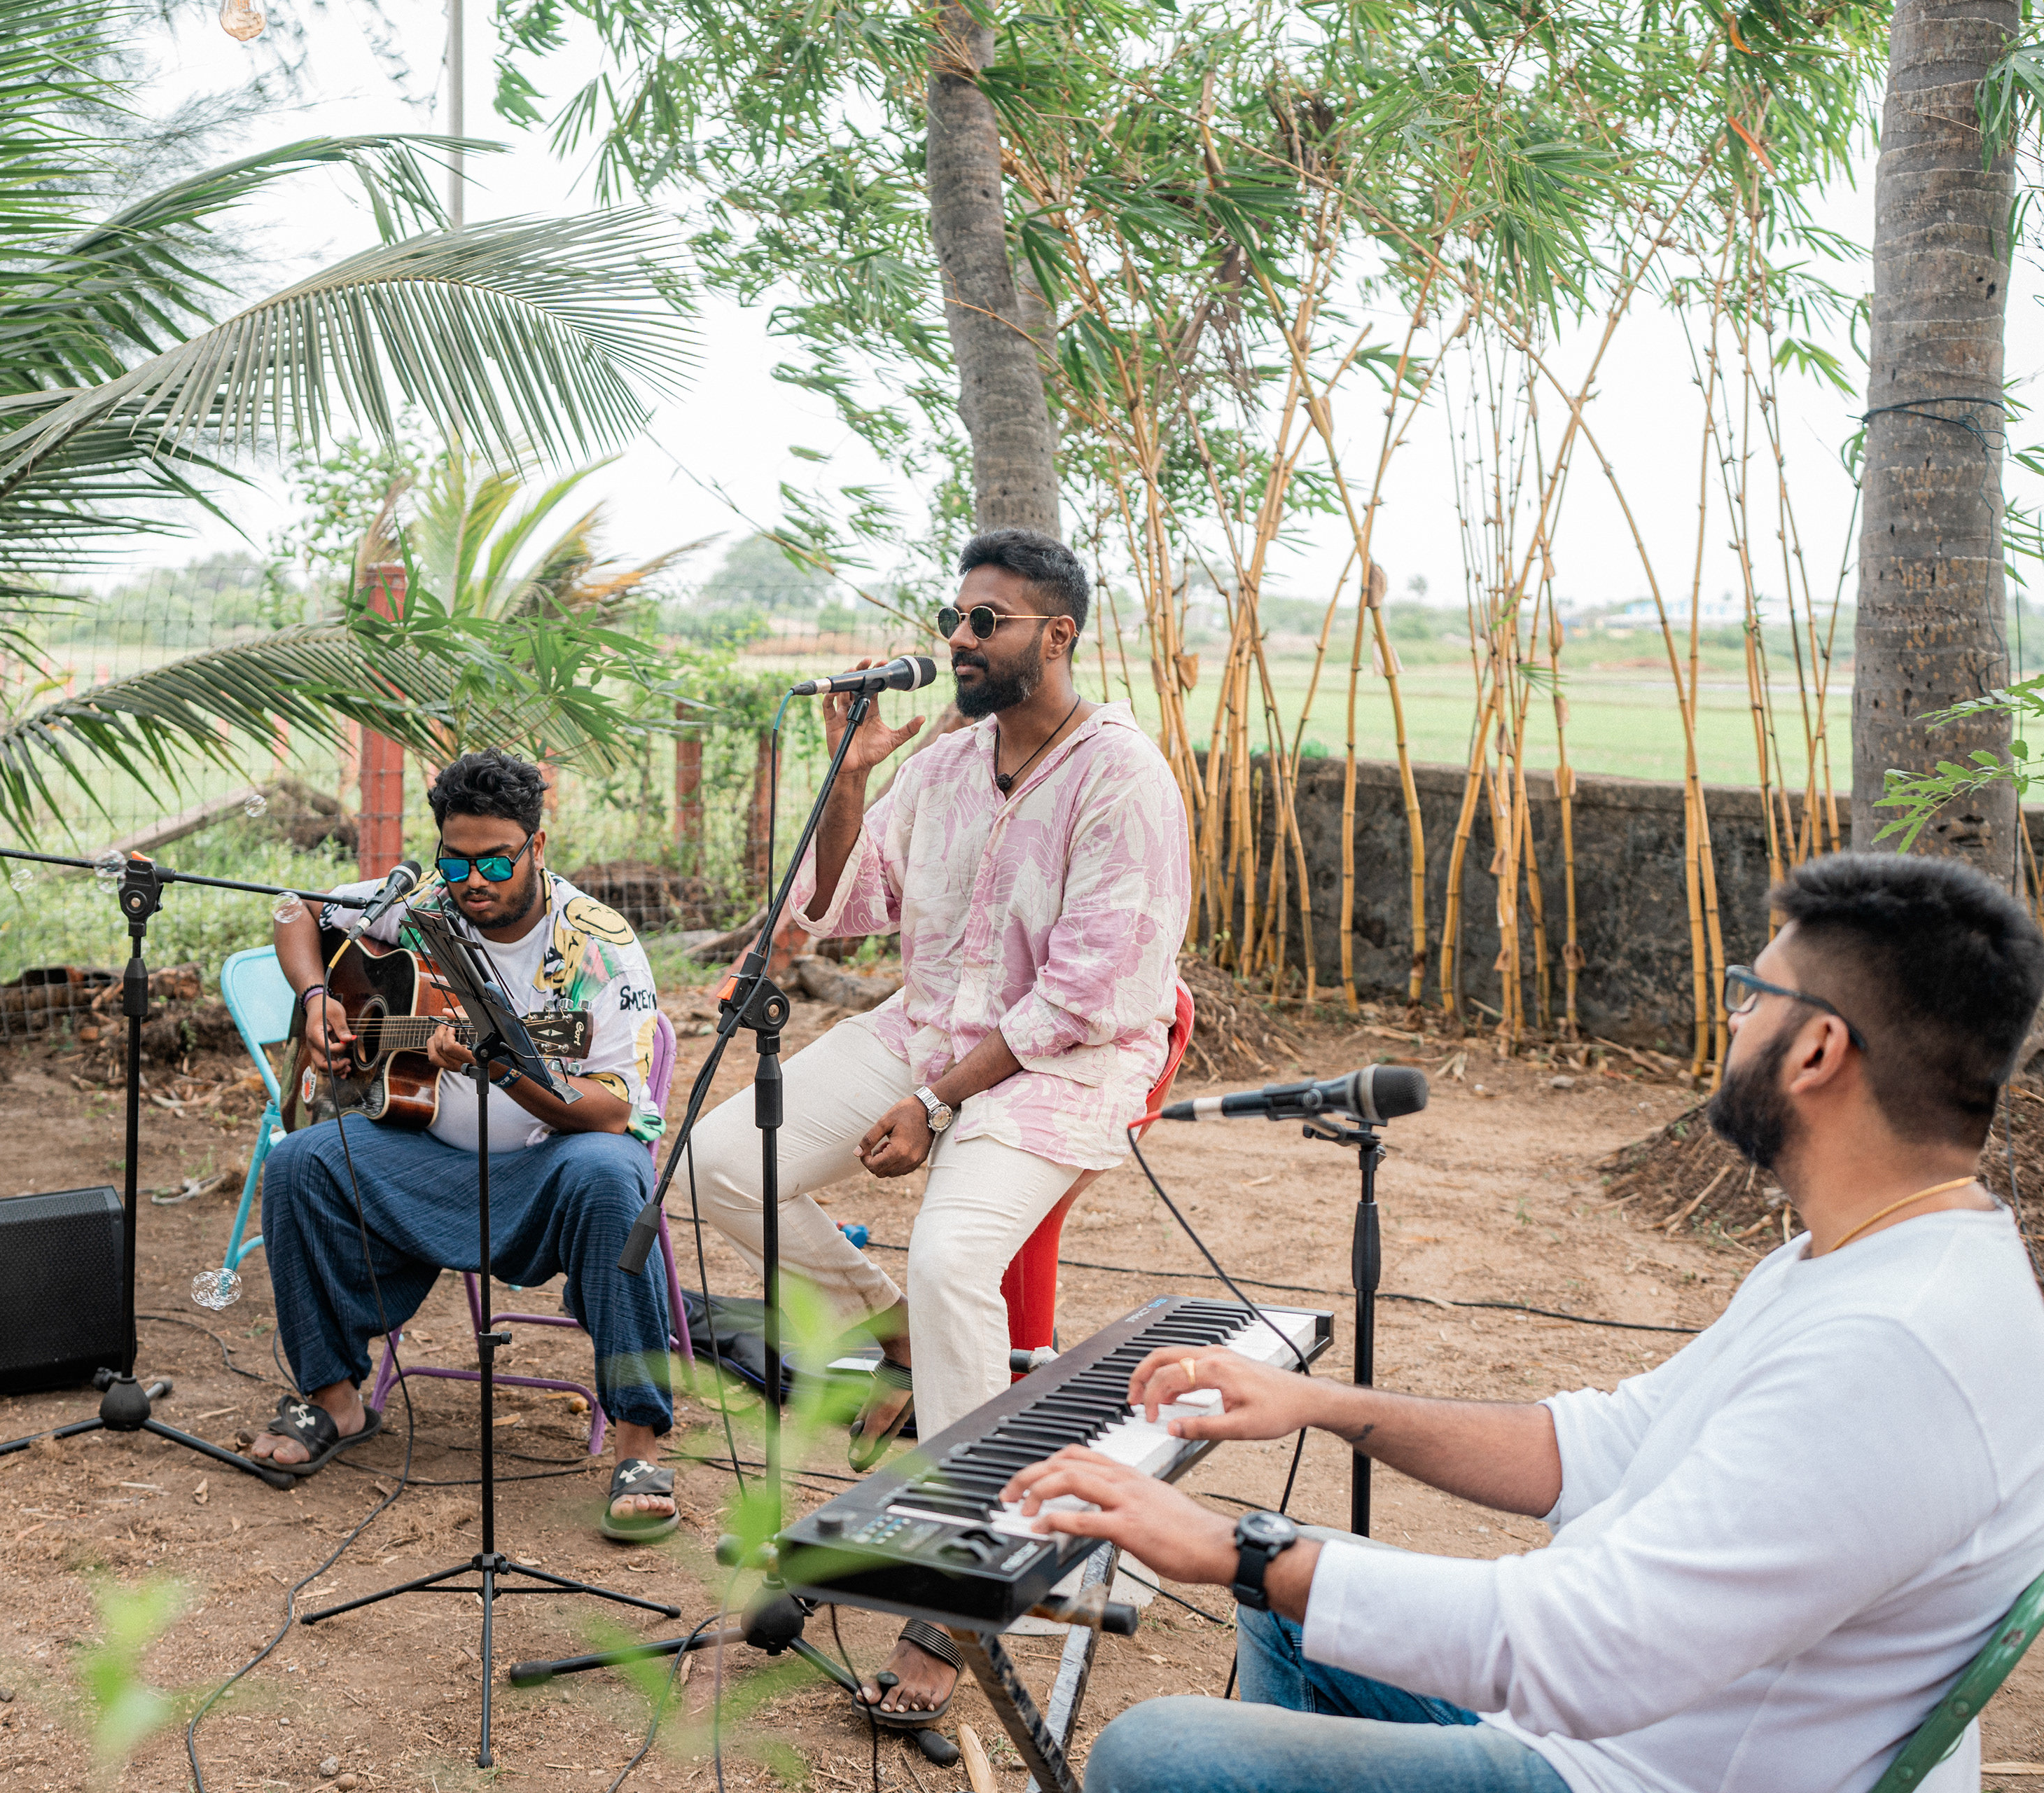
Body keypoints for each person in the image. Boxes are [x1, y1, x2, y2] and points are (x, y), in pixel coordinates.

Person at [993, 850, 2044, 1793]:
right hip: (1627, 1721)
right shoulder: (1870, 1261)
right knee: (1295, 1600)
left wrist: (1236, 1549)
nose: (1731, 1021)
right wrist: (1321, 1403)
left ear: (1817, 1048)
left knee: (1158, 1750)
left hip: (1637, 1767)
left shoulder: (1892, 1347)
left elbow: (1592, 1650)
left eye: (1749, 994)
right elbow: (1596, 1446)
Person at [680, 527, 1190, 1720]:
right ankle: (894, 1334)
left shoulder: (1122, 777)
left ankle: (958, 1589)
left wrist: (934, 1101)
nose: (958, 638)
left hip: (1060, 1063)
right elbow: (843, 904)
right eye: (954, 617)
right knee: (714, 1163)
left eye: (984, 621)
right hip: (926, 1031)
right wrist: (850, 774)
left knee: (955, 1258)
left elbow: (1087, 993)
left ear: (1056, 637)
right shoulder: (950, 764)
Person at [249, 750, 683, 1543]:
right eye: (456, 860)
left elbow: (616, 1110)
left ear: (536, 846)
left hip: (550, 1167)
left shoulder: (599, 947)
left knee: (612, 1176)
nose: (473, 880)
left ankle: (638, 1444)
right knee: (298, 1165)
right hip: (424, 1159)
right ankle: (336, 1402)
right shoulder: (420, 903)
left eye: (495, 861)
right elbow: (292, 911)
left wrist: (505, 1069)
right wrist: (316, 999)